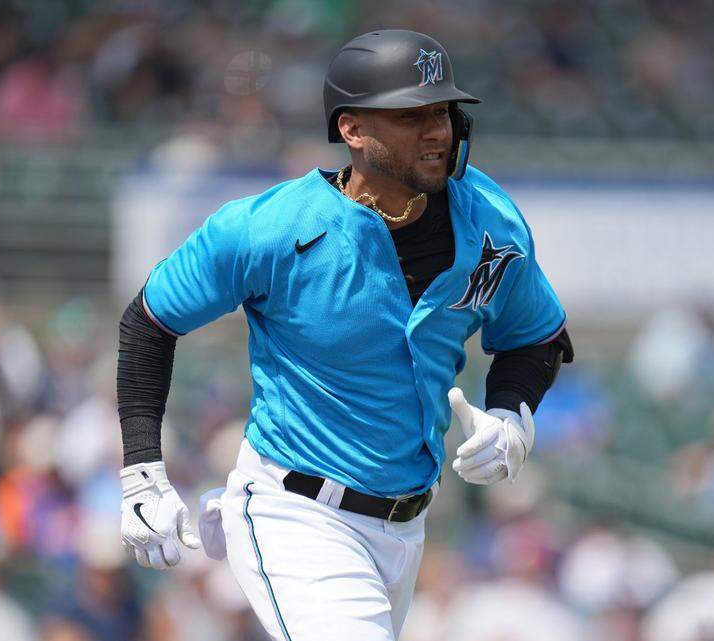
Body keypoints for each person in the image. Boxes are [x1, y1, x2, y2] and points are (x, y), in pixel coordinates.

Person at [115, 29, 573, 641]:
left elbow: (536, 335)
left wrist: (512, 414)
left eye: (442, 111)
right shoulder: (270, 227)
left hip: (408, 526)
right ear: (352, 129)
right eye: (411, 116)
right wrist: (142, 469)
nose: (436, 131)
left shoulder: (491, 218)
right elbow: (149, 320)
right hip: (296, 510)